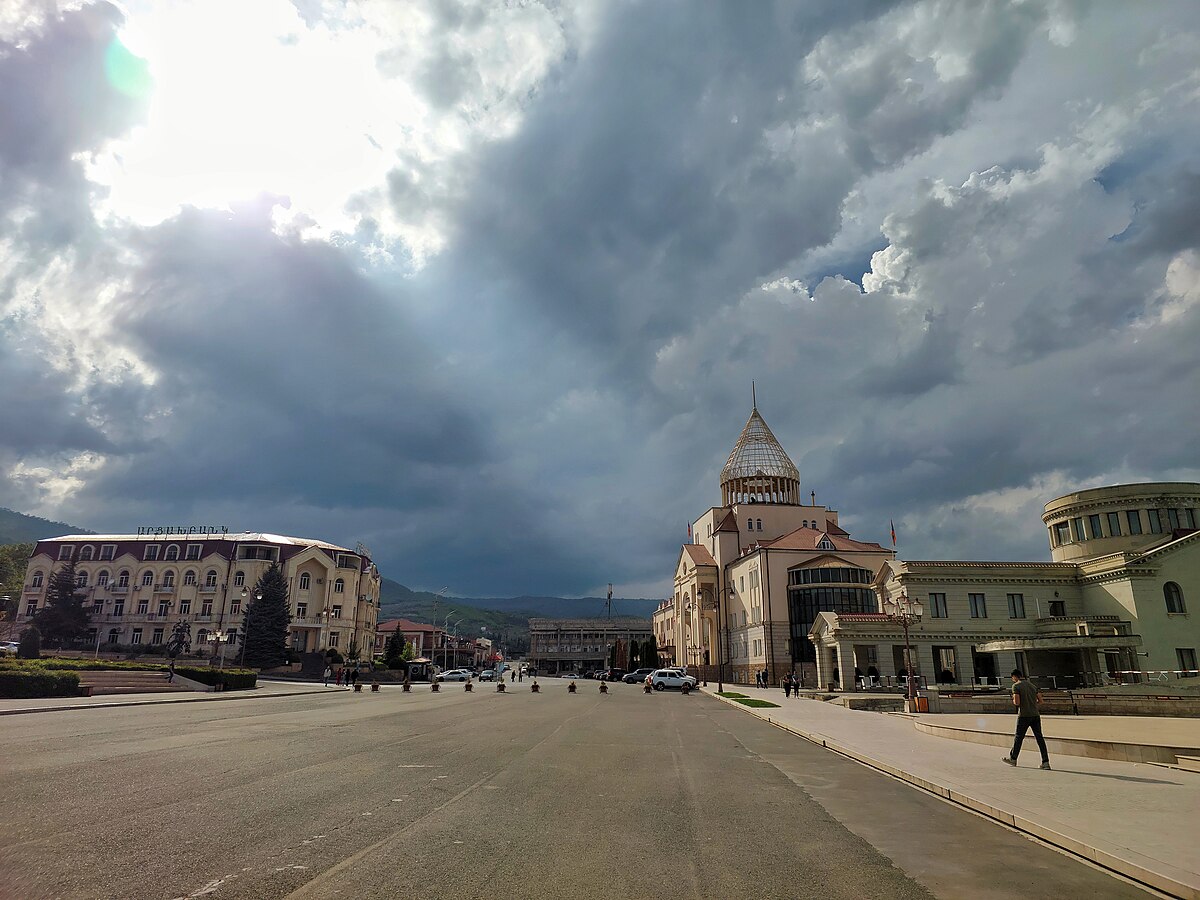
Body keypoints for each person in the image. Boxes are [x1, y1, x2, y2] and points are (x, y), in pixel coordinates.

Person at [1002, 669, 1050, 770]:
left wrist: (1014, 700)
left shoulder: (1016, 686)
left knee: (1019, 737)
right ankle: (1045, 762)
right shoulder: (1032, 685)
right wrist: (1032, 704)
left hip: (1024, 715)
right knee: (1039, 738)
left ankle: (1013, 758)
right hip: (1035, 715)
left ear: (1014, 676)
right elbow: (1041, 701)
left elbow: (1017, 702)